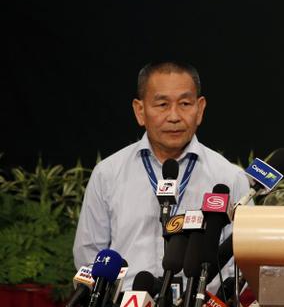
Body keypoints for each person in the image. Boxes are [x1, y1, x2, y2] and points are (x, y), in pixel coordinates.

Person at [73, 61, 250, 289]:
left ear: (200, 109)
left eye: (185, 104)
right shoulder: (108, 173)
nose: (174, 116)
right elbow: (88, 252)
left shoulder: (229, 177)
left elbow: (243, 255)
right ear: (140, 111)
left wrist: (210, 304)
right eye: (162, 104)